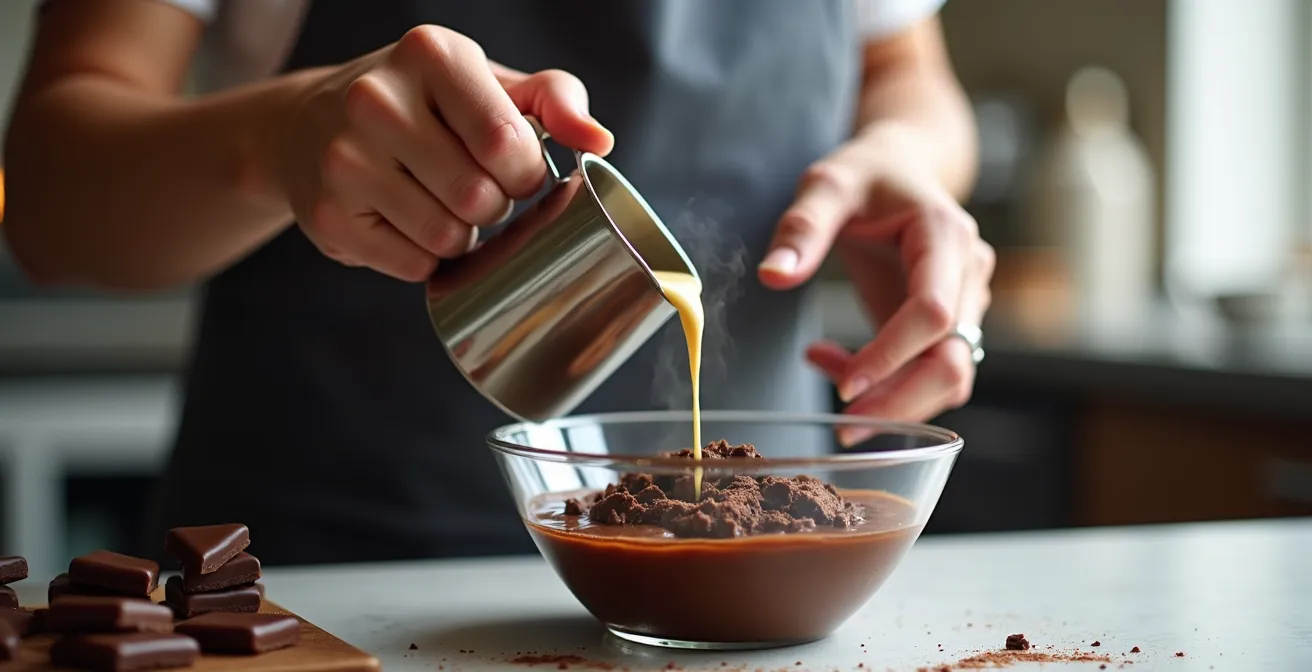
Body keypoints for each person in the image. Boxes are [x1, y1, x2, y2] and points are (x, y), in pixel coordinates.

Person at [2, 0, 992, 565]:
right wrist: (280, 134)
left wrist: (906, 159)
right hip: (333, 577)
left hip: (764, 571)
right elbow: (46, 199)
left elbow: (905, 70)